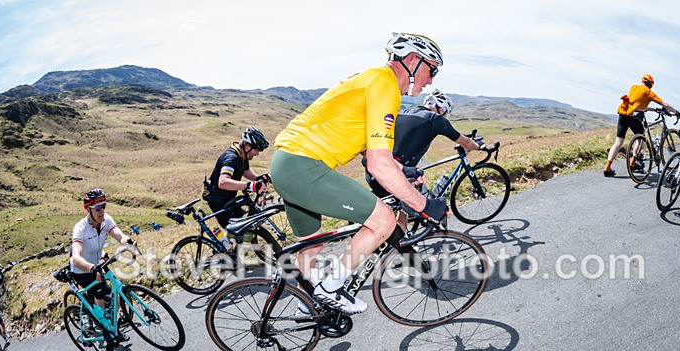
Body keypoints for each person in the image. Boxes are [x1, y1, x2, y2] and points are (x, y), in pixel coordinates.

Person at [271, 32, 447, 315]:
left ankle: (313, 307)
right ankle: (331, 288)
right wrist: (423, 205)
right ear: (413, 60)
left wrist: (405, 172)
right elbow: (378, 165)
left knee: (310, 249)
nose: (431, 80)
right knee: (384, 219)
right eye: (431, 69)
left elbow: (371, 150)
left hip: (286, 163)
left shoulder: (372, 78)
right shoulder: (384, 85)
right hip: (304, 166)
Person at [365, 88, 488, 200]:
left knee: (402, 202)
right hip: (396, 174)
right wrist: (480, 147)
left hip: (375, 167)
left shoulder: (405, 111)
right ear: (440, 108)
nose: (444, 115)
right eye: (445, 111)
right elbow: (465, 142)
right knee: (413, 203)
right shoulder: (435, 119)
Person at [70, 188, 137, 315]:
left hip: (96, 264)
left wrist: (128, 242)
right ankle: (103, 327)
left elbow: (119, 235)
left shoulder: (106, 220)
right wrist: (91, 268)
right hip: (82, 269)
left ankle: (112, 320)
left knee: (112, 290)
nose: (102, 211)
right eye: (97, 208)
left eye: (103, 206)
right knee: (100, 291)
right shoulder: (80, 228)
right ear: (88, 210)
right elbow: (75, 258)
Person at [602, 74, 678, 177]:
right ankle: (633, 163)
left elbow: (637, 105)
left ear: (642, 81)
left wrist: (655, 109)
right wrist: (676, 112)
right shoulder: (649, 93)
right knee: (641, 138)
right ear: (651, 85)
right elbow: (665, 105)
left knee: (618, 142)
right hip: (633, 117)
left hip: (623, 115)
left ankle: (607, 168)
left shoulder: (633, 87)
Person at [202, 127, 271, 230]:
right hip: (218, 200)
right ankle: (227, 245)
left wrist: (258, 179)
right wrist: (248, 186)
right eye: (257, 149)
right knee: (235, 232)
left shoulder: (242, 155)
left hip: (229, 197)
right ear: (247, 147)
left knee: (245, 226)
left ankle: (240, 245)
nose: (258, 153)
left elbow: (245, 171)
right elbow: (223, 182)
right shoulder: (231, 158)